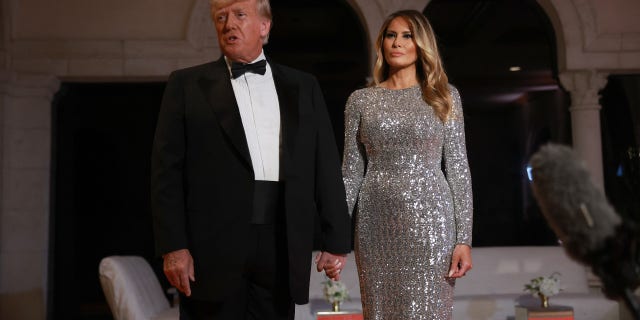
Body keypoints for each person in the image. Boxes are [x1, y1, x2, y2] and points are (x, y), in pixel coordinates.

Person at [150, 0, 352, 318]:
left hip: (282, 240)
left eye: (240, 15)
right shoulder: (186, 85)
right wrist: (173, 246)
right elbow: (166, 173)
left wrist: (336, 240)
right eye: (221, 17)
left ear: (264, 26)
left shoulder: (303, 86)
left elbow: (324, 165)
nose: (229, 23)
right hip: (212, 244)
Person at [341, 9, 473, 319]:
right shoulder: (360, 100)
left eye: (407, 35)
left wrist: (463, 239)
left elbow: (458, 169)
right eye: (390, 35)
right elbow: (350, 172)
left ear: (422, 44)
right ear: (382, 43)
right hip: (375, 224)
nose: (396, 43)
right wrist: (334, 237)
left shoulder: (444, 96)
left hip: (432, 225)